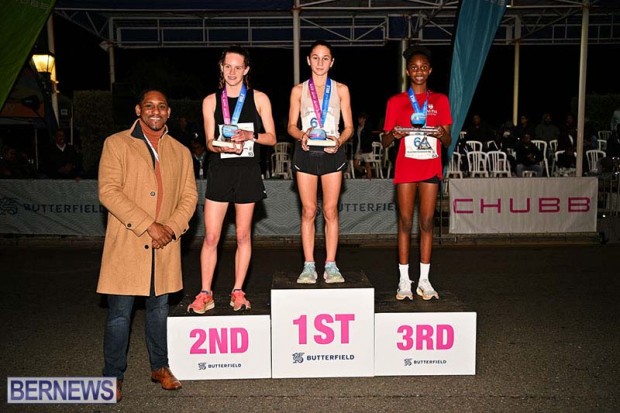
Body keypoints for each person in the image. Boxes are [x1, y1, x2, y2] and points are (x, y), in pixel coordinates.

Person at [97, 90, 198, 402]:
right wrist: (149, 225)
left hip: (163, 245)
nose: (156, 111)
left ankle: (160, 367)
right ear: (138, 110)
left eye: (162, 106)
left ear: (168, 113)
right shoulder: (116, 144)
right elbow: (109, 191)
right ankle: (112, 378)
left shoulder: (181, 151)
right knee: (119, 315)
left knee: (158, 311)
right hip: (129, 242)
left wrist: (171, 228)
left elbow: (189, 196)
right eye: (149, 106)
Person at [188, 45, 276, 314]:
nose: (233, 72)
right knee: (211, 236)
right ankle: (205, 293)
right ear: (221, 67)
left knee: (243, 235)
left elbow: (272, 138)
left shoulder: (260, 98)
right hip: (220, 171)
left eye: (238, 67)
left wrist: (250, 136)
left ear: (246, 70)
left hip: (248, 172)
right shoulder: (210, 101)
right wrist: (223, 145)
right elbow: (208, 142)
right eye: (228, 66)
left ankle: (238, 291)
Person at [381, 45, 452, 301]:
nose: (419, 71)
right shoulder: (396, 101)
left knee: (427, 222)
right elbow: (385, 141)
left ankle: (424, 280)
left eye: (423, 67)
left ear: (430, 70)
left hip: (430, 167)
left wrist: (441, 134)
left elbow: (447, 140)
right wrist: (394, 133)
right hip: (406, 168)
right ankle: (404, 280)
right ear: (407, 72)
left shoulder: (440, 100)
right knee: (405, 222)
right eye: (414, 67)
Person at [287, 40, 354, 284]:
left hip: (332, 152)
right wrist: (301, 135)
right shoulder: (298, 90)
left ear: (332, 62)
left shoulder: (341, 89)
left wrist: (339, 141)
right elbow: (291, 126)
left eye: (325, 58)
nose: (320, 62)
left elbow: (349, 127)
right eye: (315, 57)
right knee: (308, 210)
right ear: (308, 60)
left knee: (330, 210)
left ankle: (331, 265)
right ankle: (308, 265)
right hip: (306, 152)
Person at [352, 111, 375, 179]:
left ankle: (369, 179)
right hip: (358, 148)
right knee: (355, 164)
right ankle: (363, 173)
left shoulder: (367, 128)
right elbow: (356, 138)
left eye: (361, 118)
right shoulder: (358, 127)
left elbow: (369, 139)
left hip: (366, 149)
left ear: (364, 119)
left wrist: (363, 148)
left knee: (367, 166)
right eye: (359, 118)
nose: (359, 120)